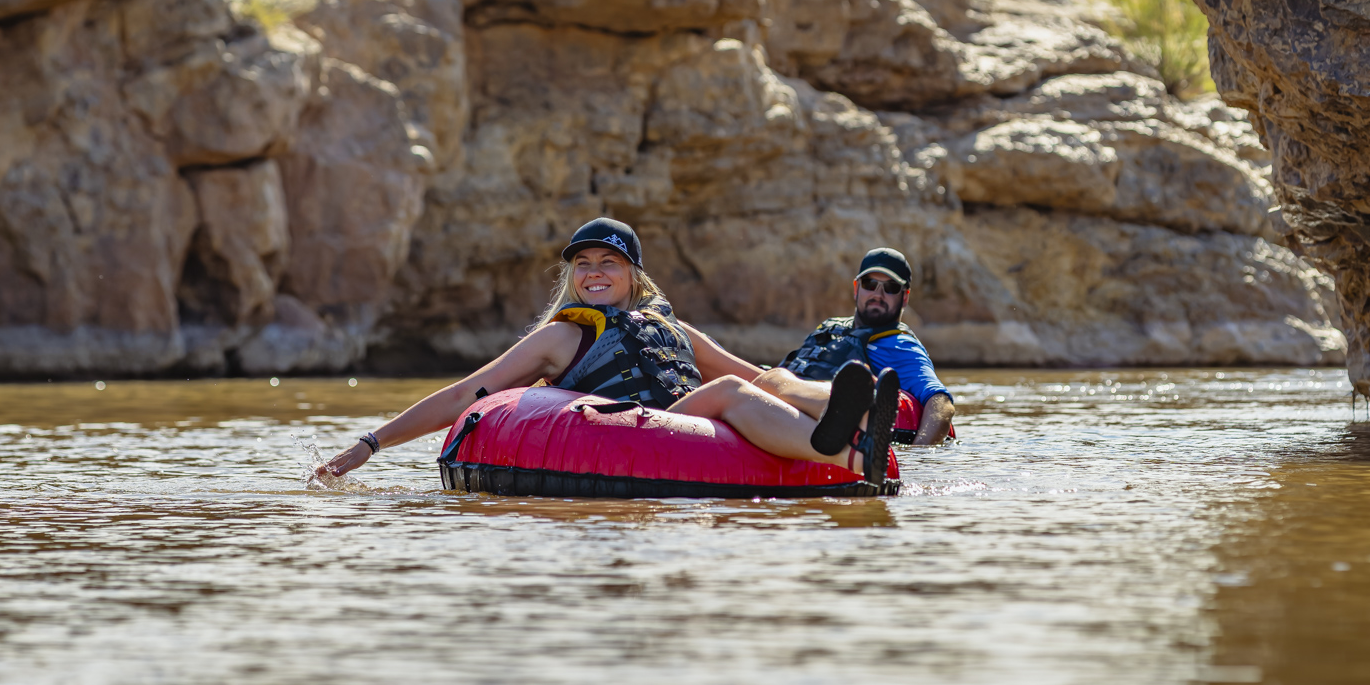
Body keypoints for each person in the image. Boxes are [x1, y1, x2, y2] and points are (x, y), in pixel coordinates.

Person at [319, 218, 903, 486]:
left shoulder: (667, 325)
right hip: (640, 428)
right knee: (730, 392)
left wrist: (795, 386)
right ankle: (850, 453)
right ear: (573, 276)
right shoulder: (562, 336)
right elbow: (466, 393)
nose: (595, 274)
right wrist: (369, 445)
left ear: (633, 274)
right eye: (584, 265)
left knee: (766, 380)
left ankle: (861, 418)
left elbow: (757, 375)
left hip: (697, 419)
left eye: (609, 263)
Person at [756, 248, 956, 446]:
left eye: (891, 288)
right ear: (856, 288)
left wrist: (919, 457)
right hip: (778, 399)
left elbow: (940, 402)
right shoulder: (830, 327)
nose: (878, 294)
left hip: (813, 417)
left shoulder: (899, 345)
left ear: (904, 297)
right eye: (870, 284)